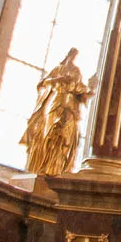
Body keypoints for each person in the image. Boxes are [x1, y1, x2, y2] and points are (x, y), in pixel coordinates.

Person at [21, 49, 91, 178]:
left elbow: (79, 88)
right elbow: (44, 82)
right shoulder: (58, 68)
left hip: (70, 105)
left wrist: (85, 91)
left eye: (75, 56)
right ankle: (42, 165)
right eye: (72, 55)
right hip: (56, 100)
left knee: (66, 136)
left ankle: (57, 168)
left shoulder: (76, 71)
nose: (73, 58)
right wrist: (60, 79)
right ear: (68, 55)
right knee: (49, 131)